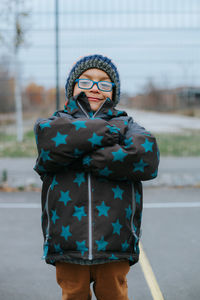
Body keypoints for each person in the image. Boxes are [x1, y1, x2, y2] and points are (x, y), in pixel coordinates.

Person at [34, 54, 160, 300]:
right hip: (67, 243)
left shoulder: (127, 123)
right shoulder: (57, 123)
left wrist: (80, 153)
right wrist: (112, 134)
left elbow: (147, 157)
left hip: (115, 242)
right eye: (86, 81)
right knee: (73, 295)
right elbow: (49, 141)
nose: (94, 88)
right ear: (72, 88)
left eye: (104, 83)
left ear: (114, 92)